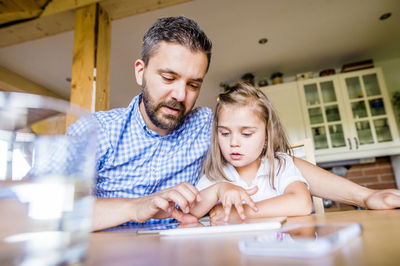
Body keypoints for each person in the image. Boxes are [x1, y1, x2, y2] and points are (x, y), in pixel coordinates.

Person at [68, 16, 400, 231]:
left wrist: (367, 196)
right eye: (168, 77)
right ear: (141, 70)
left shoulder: (209, 126)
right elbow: (37, 208)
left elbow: (286, 165)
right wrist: (134, 207)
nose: (180, 95)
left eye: (194, 84)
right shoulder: (95, 130)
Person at [189, 83, 312, 222]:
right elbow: (190, 214)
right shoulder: (216, 175)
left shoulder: (279, 166)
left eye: (246, 134)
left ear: (267, 136)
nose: (233, 143)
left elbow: (303, 203)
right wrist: (218, 190)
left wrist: (239, 213)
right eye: (224, 133)